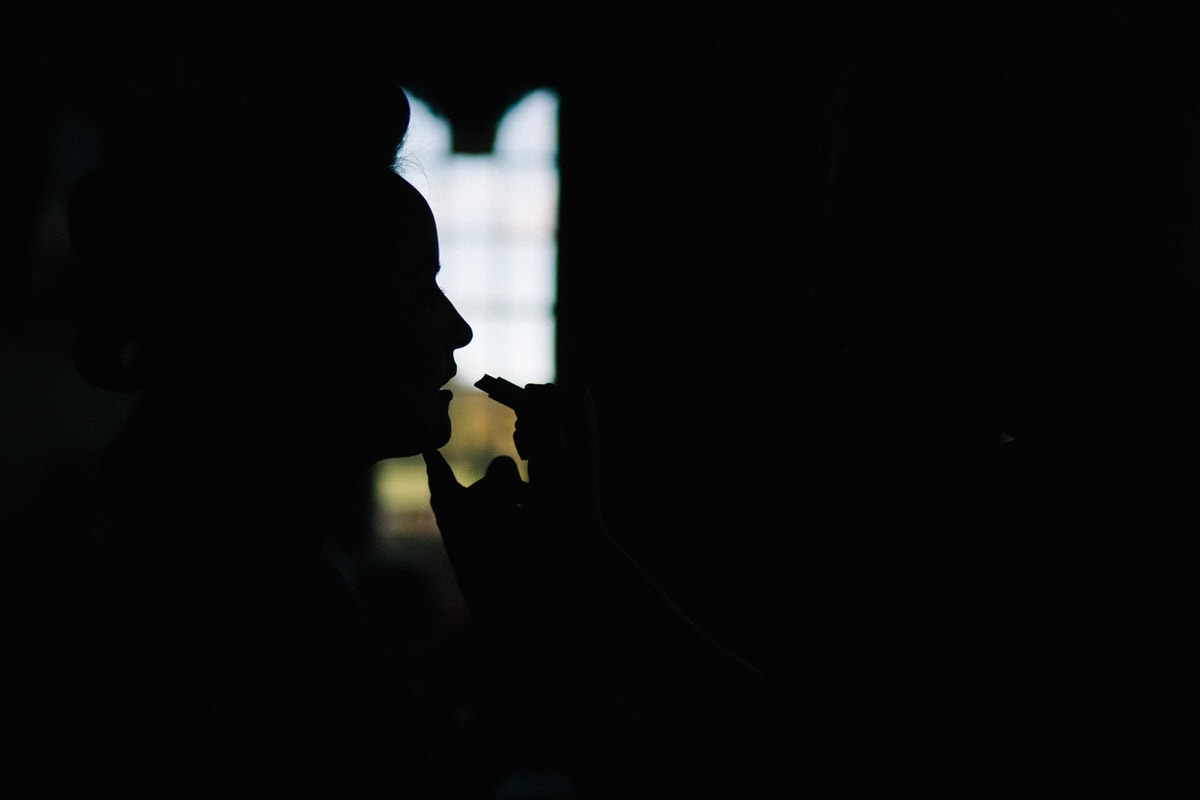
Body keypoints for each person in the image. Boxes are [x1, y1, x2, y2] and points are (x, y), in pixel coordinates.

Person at [421, 8, 1200, 797]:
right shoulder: (1060, 491)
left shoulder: (1086, 526)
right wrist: (583, 559)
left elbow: (771, 761)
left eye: (867, 198)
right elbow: (775, 731)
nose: (836, 262)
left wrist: (533, 617)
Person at [23, 70, 472, 797]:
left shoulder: (209, 569)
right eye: (418, 284)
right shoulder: (241, 621)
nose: (457, 329)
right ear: (308, 317)